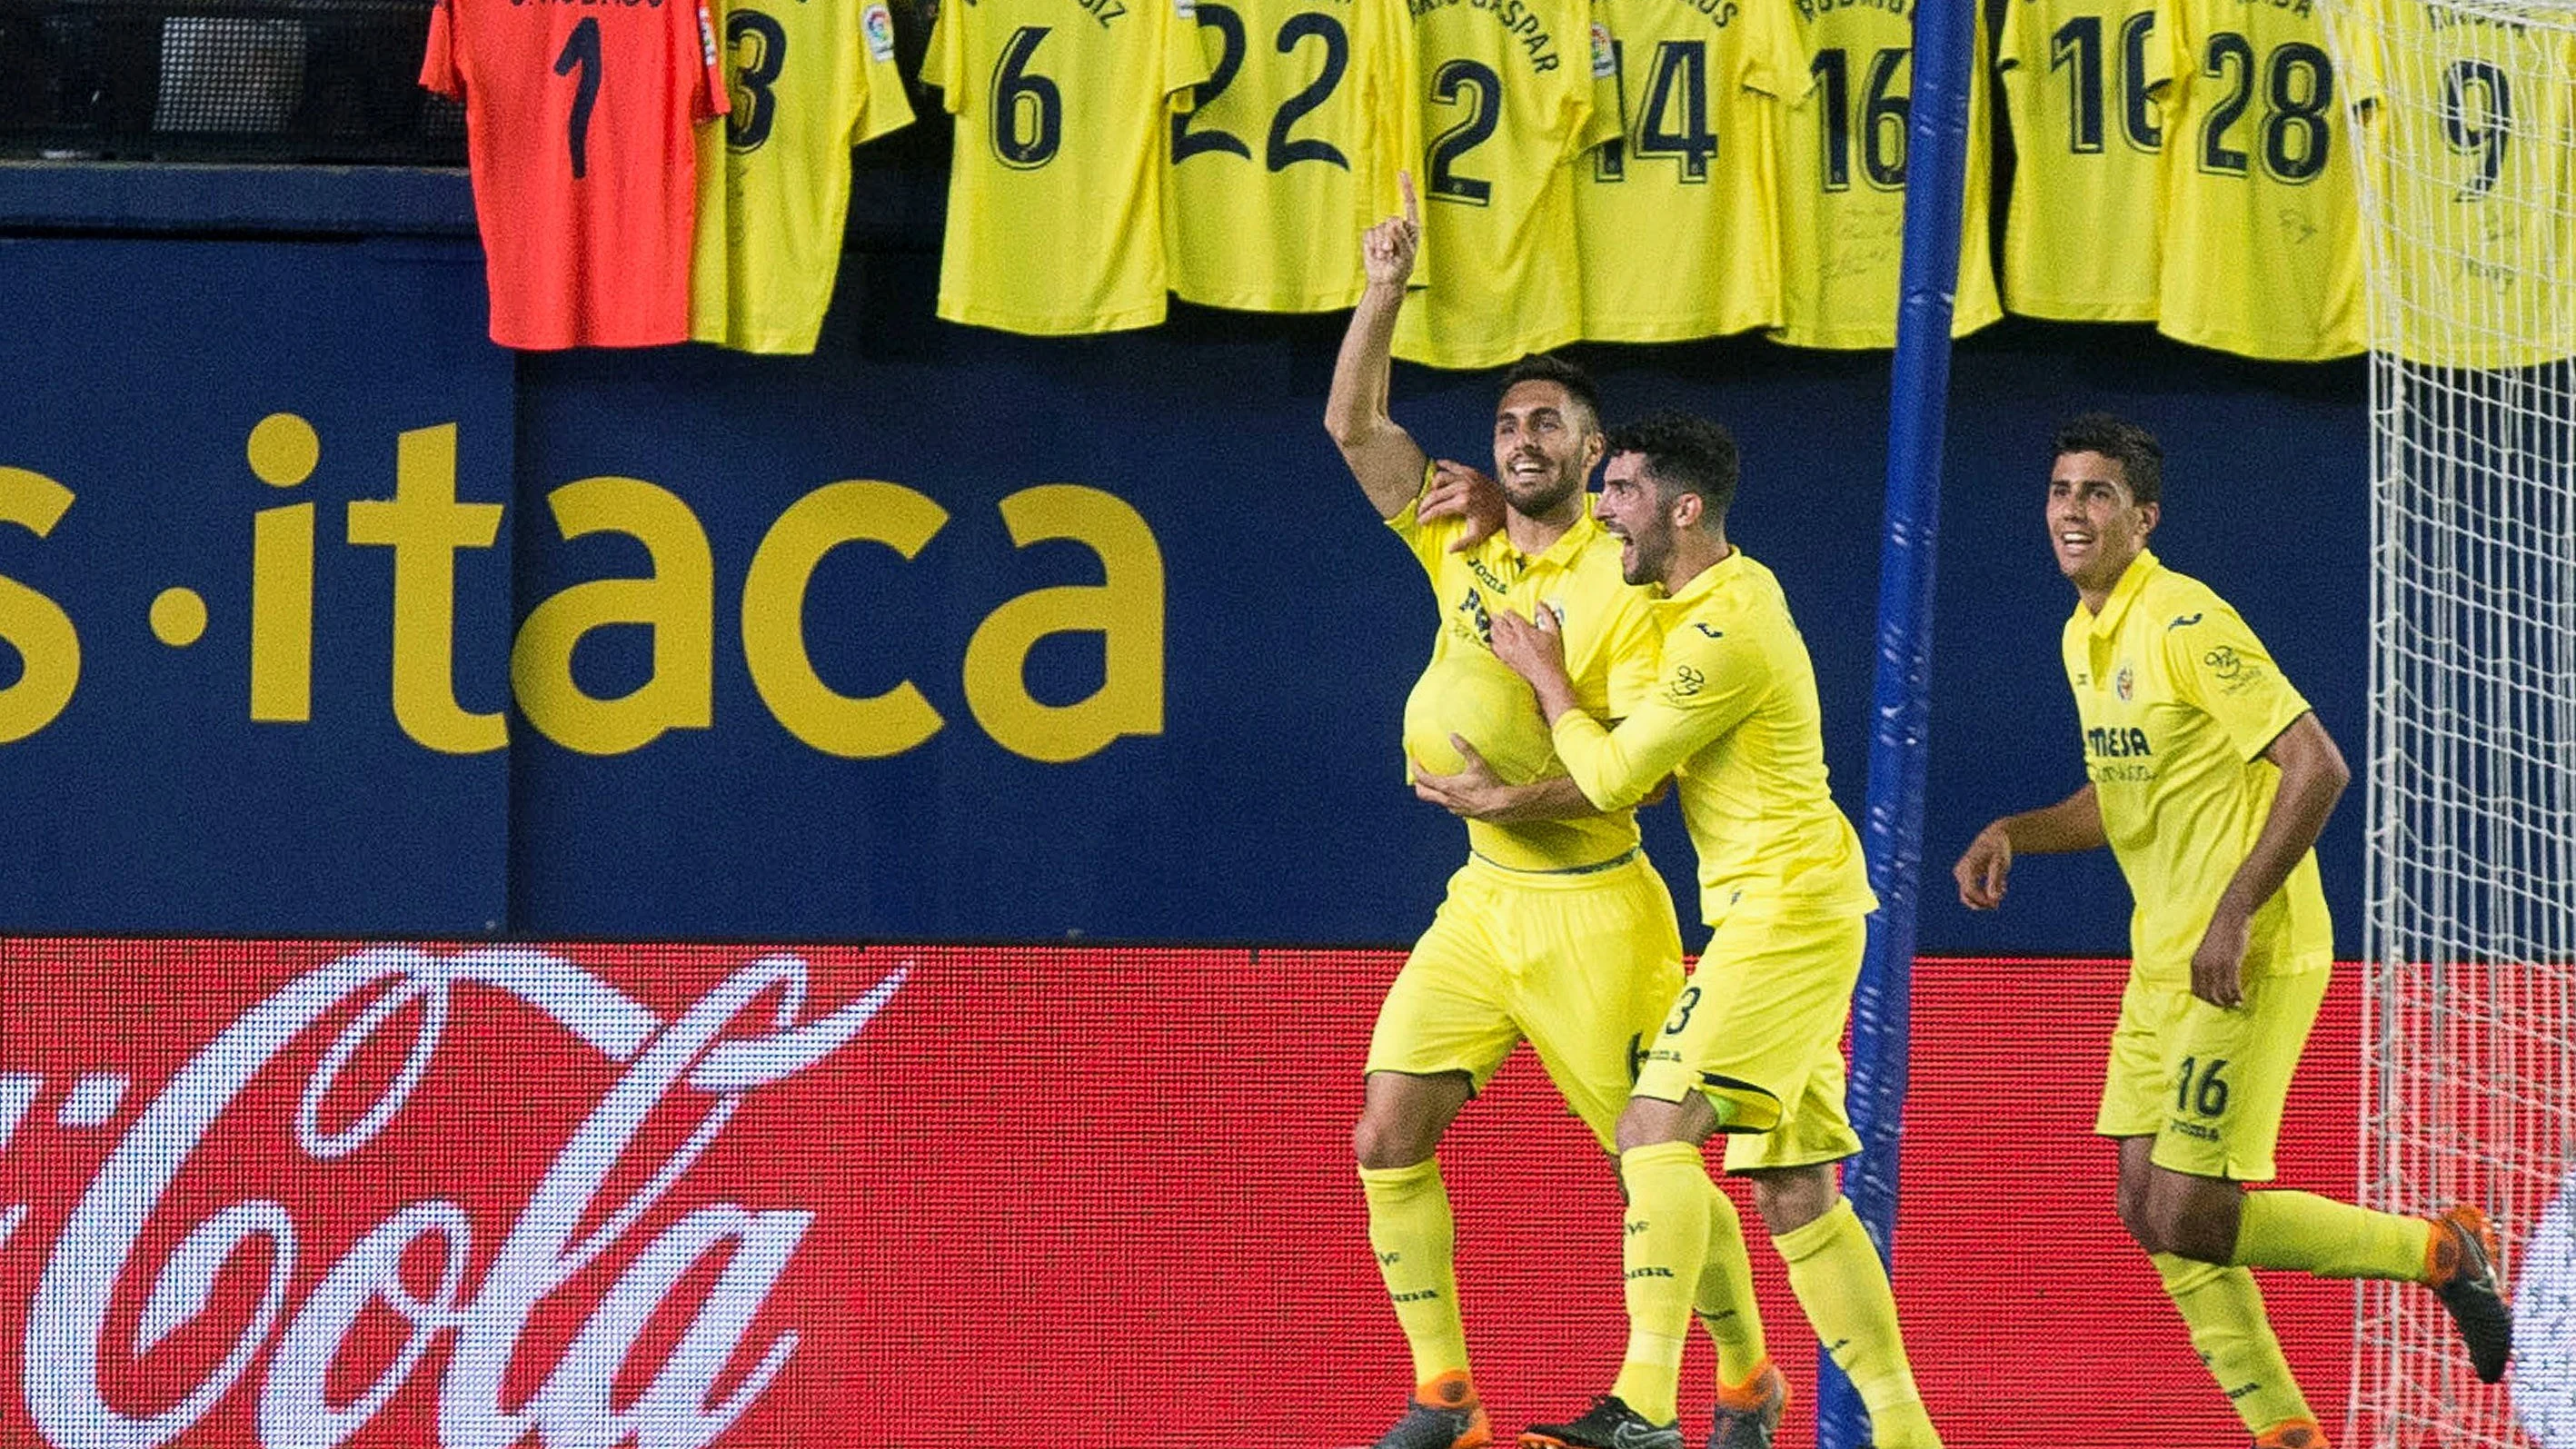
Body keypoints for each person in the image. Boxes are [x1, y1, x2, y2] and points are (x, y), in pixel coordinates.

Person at [1948, 412, 2512, 1448]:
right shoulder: (2086, 634)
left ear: (2142, 515)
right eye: (2061, 490)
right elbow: (2124, 797)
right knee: (2139, 1198)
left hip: (2245, 952)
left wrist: (2235, 908)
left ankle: (2438, 1251)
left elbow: (2319, 764)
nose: (2072, 510)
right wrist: (2016, 831)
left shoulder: (2185, 621)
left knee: (2191, 1212)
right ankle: (2286, 1430)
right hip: (2162, 953)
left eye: (2098, 493)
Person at [1324, 178, 1769, 1449]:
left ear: (1591, 455)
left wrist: (1501, 793)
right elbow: (1352, 426)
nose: (1522, 438)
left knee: (1653, 1158)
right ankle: (1444, 1394)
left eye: (1550, 425)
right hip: (1480, 901)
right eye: (1509, 420)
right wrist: (1382, 290)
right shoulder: (1458, 536)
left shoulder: (1625, 574)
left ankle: (1742, 1376)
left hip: (1592, 909)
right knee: (1385, 1124)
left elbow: (1637, 769)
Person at [1425, 412, 1944, 1449]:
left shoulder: (1726, 631)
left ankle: (1645, 1405)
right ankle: (1906, 1431)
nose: (1605, 509)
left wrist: (1547, 680)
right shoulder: (1689, 596)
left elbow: (1619, 777)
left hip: (1788, 914)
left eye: (1619, 490)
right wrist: (1496, 506)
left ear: (1684, 506)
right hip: (1789, 908)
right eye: (1603, 490)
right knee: (1795, 1189)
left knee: (1653, 1128)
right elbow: (1586, 605)